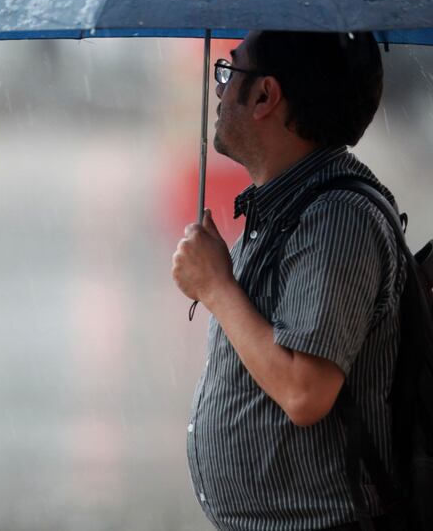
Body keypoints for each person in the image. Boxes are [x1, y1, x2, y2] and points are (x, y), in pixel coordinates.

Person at [171, 30, 407, 531]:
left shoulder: (337, 219)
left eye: (229, 72)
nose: (219, 90)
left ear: (265, 95)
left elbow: (305, 391)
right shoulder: (286, 206)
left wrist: (216, 288)